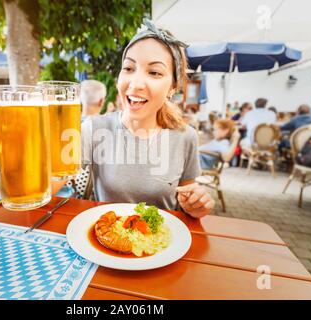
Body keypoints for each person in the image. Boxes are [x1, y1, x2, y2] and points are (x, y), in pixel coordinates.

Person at [81, 19, 214, 218]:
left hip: (161, 243)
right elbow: (52, 184)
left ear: (172, 87)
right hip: (103, 239)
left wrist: (196, 205)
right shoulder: (94, 128)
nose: (135, 84)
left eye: (154, 72)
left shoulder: (186, 137)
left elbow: (188, 197)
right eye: (128, 68)